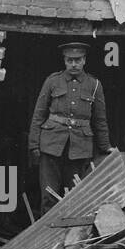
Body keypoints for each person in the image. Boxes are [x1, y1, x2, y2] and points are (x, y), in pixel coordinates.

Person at [28, 41, 112, 215]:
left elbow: (100, 120)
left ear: (84, 60)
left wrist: (105, 147)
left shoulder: (94, 85)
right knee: (48, 196)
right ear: (64, 60)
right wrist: (34, 145)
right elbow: (38, 114)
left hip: (79, 149)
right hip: (51, 146)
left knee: (75, 196)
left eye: (78, 60)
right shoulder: (52, 81)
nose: (73, 64)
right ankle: (46, 238)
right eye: (69, 60)